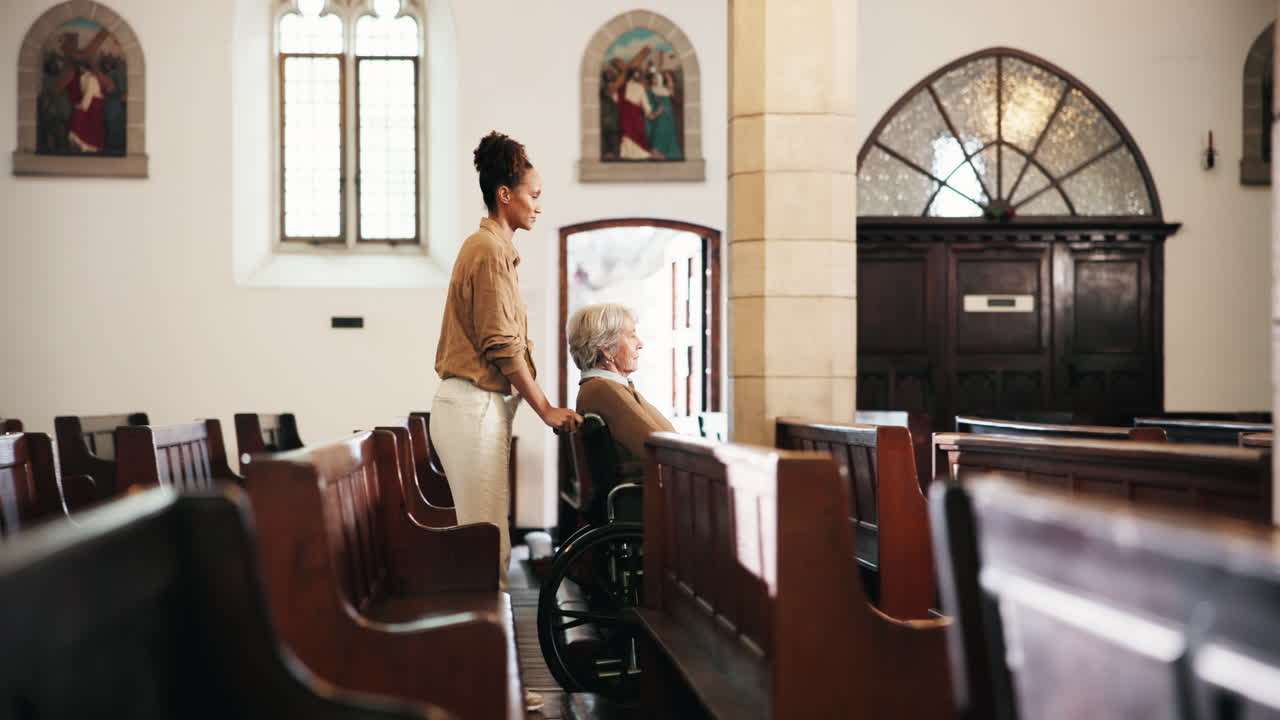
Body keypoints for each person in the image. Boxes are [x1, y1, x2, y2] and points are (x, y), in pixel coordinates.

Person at [431, 131, 579, 713]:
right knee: (485, 551)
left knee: (489, 550)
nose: (539, 204)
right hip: (472, 408)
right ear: (504, 194)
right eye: (533, 194)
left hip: (481, 410)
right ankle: (484, 690)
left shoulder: (496, 249)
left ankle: (489, 683)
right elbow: (500, 344)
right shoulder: (488, 250)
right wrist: (545, 407)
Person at [568, 303, 674, 483]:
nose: (640, 344)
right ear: (607, 348)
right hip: (649, 499)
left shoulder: (611, 387)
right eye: (632, 335)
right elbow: (662, 450)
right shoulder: (603, 390)